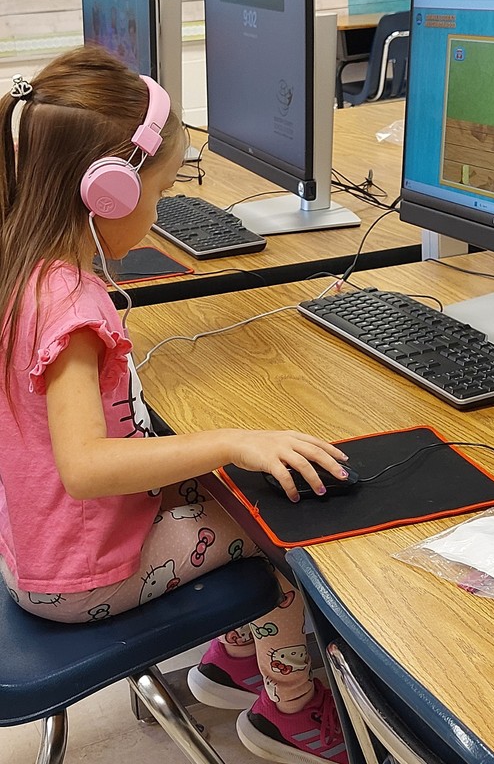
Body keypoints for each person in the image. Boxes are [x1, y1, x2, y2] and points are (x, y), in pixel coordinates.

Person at [0, 46, 350, 764]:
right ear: (107, 197)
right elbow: (87, 468)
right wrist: (229, 440)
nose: (159, 213)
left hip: (44, 547)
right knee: (273, 529)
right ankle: (291, 715)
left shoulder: (23, 264)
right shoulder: (69, 307)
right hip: (77, 576)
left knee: (225, 491)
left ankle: (232, 661)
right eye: (156, 196)